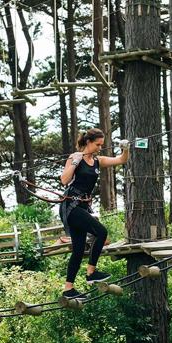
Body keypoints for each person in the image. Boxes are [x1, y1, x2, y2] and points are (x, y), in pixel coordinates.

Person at [59, 128, 129, 300]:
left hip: (82, 207)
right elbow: (64, 180)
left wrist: (125, 148)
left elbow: (121, 160)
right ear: (89, 142)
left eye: (101, 145)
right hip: (71, 206)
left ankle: (68, 289)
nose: (99, 147)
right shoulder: (75, 157)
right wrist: (75, 162)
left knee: (78, 250)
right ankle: (91, 272)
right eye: (98, 144)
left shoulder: (98, 161)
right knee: (102, 232)